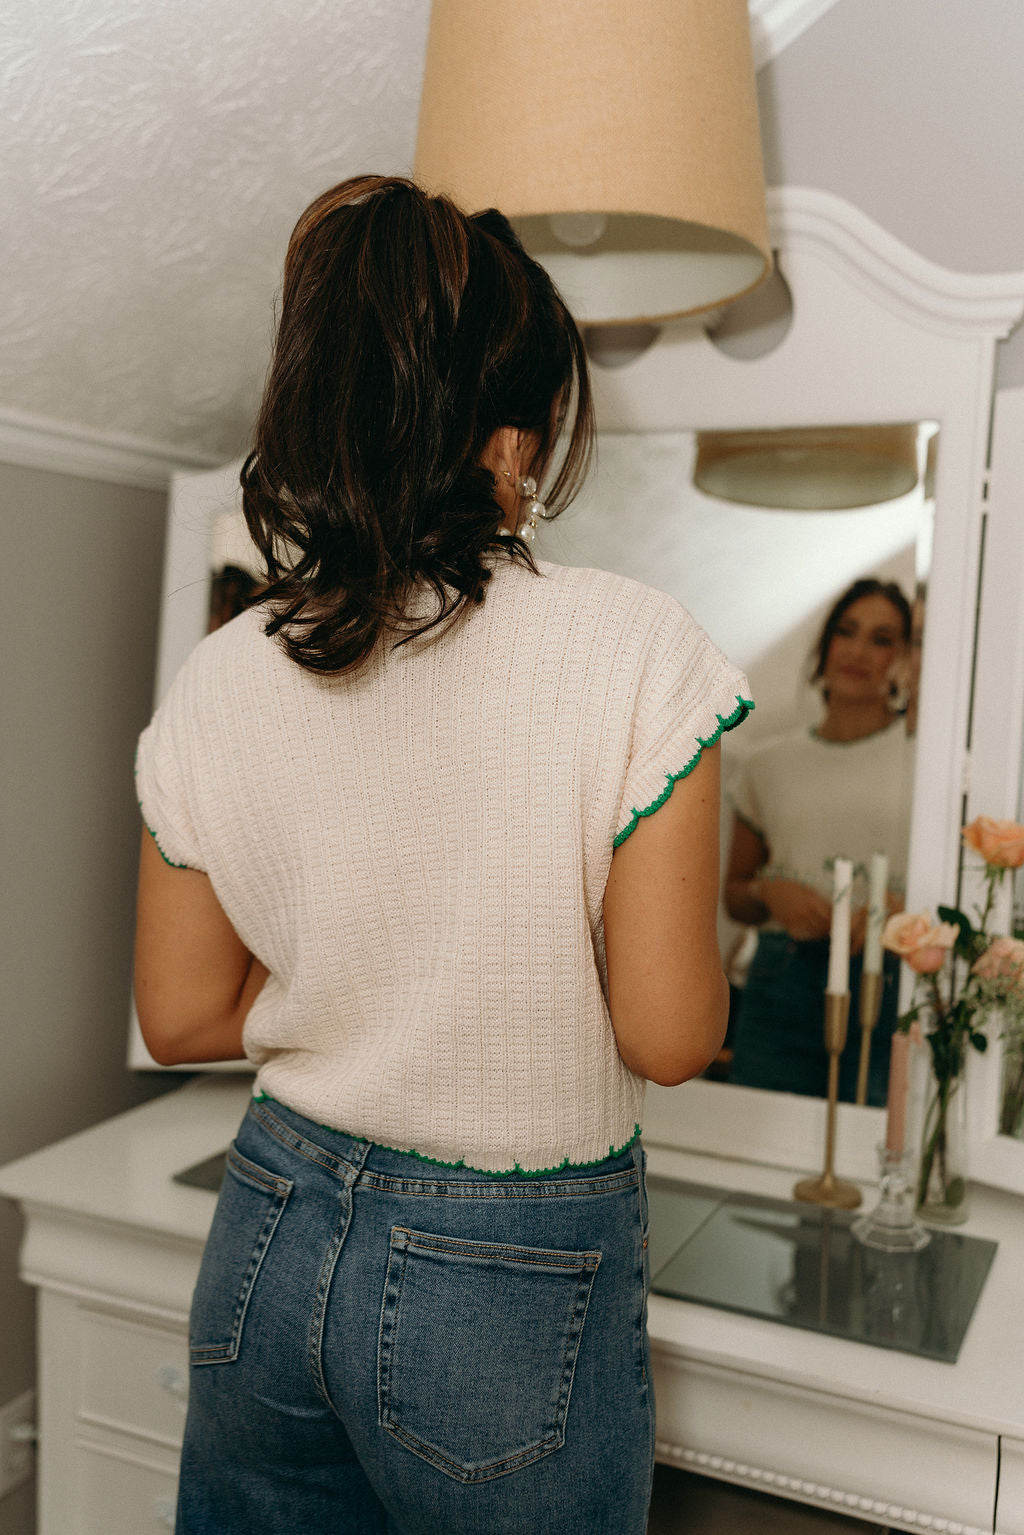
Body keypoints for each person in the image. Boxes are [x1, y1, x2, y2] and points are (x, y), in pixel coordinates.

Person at [133, 175, 752, 1535]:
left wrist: (360, 981)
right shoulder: (638, 649)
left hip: (267, 1221)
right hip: (510, 1268)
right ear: (519, 443)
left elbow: (177, 1015)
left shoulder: (225, 667)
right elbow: (669, 1029)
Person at [723, 576, 913, 1104]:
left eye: (881, 639)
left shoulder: (925, 757)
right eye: (847, 632)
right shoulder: (766, 764)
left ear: (903, 658)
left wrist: (905, 910)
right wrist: (768, 892)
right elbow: (734, 894)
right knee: (764, 1137)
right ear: (825, 644)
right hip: (782, 980)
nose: (858, 651)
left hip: (891, 981)